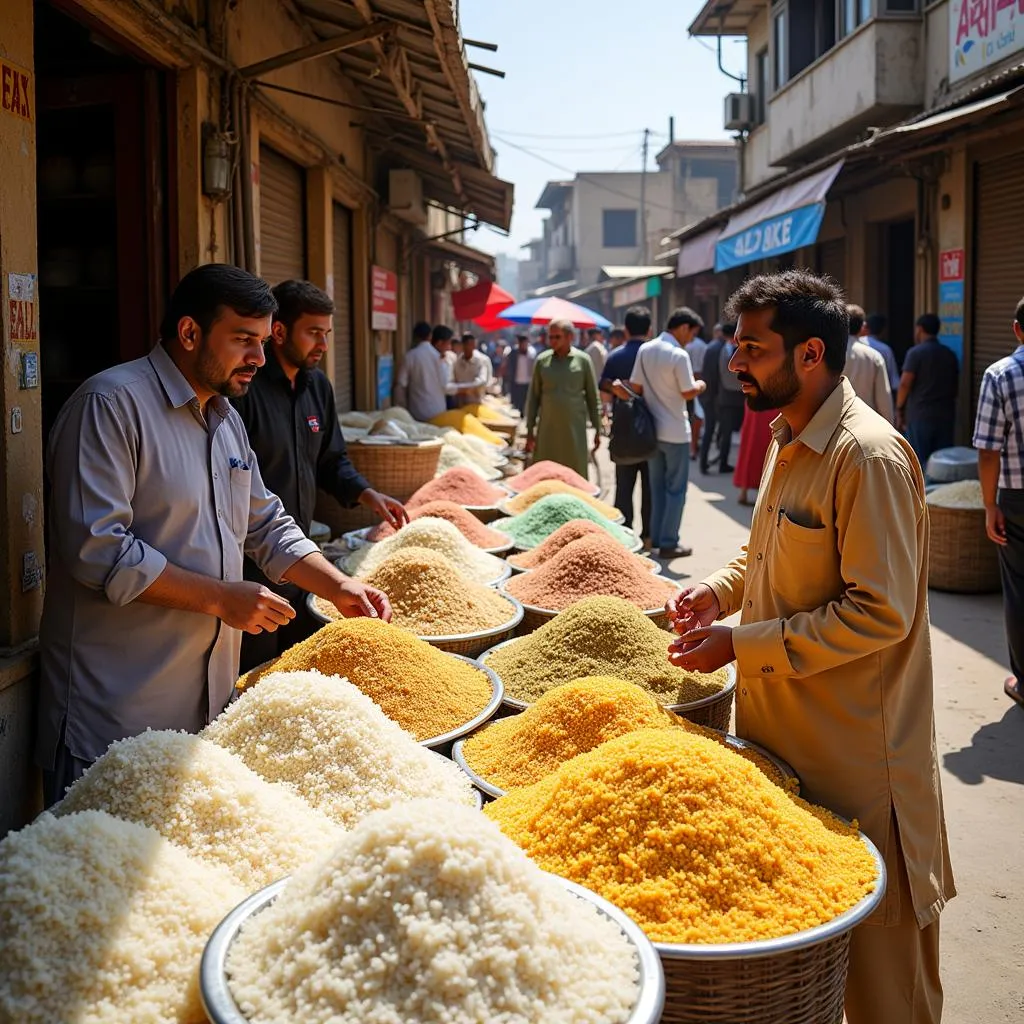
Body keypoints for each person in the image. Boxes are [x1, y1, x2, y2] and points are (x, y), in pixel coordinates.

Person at [667, 269, 954, 1024]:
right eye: (735, 344)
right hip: (787, 749)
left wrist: (741, 644)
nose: (734, 363)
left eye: (752, 348)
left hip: (862, 762)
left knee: (886, 990)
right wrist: (719, 593)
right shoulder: (788, 435)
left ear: (810, 353)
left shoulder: (868, 458)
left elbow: (878, 612)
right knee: (815, 974)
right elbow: (767, 550)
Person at [37, 264, 392, 808]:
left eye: (261, 340)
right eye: (243, 340)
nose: (259, 356)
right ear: (189, 333)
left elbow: (265, 522)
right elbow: (99, 550)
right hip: (113, 713)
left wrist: (337, 586)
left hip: (202, 714)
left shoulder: (225, 418)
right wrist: (222, 599)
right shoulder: (110, 406)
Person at [231, 280, 408, 672]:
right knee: (252, 674)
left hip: (302, 558)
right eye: (313, 333)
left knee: (298, 666)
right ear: (278, 332)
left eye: (326, 334)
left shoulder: (318, 388)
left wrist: (367, 494)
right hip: (246, 569)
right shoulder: (244, 390)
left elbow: (331, 460)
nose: (324, 345)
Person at [611, 307, 706, 559]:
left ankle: (654, 537)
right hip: (676, 432)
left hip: (652, 431)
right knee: (675, 490)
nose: (691, 339)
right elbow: (687, 392)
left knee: (657, 488)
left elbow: (637, 387)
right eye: (692, 333)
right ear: (683, 327)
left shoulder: (646, 349)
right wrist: (700, 385)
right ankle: (669, 541)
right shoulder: (678, 354)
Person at [973, 296, 1024, 710]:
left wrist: (989, 505)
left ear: (1017, 330)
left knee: (1019, 587)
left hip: (1018, 498)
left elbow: (989, 450)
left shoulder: (1002, 374)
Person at [601, 307, 654, 543]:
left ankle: (624, 537)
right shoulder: (655, 356)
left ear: (625, 330)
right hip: (653, 429)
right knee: (651, 487)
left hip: (623, 429)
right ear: (650, 329)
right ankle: (649, 535)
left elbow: (604, 387)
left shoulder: (615, 356)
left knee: (624, 485)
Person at [525, 318, 601, 478]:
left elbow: (593, 397)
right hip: (547, 430)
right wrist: (530, 429)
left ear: (569, 337)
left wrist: (597, 428)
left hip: (574, 430)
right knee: (546, 474)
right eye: (550, 337)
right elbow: (533, 398)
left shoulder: (583, 361)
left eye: (556, 337)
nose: (551, 341)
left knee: (575, 476)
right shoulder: (542, 361)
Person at [897, 313, 960, 469]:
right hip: (945, 416)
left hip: (920, 416)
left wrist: (899, 408)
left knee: (918, 463)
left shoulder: (915, 353)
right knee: (942, 465)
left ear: (919, 329)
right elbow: (955, 387)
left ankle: (921, 494)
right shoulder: (949, 354)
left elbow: (905, 383)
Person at [844, 304, 893, 421]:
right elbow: (884, 398)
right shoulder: (873, 356)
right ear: (863, 327)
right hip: (866, 423)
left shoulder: (825, 353)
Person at [397, 324, 452, 422]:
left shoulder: (410, 356)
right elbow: (445, 383)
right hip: (438, 411)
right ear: (430, 336)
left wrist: (402, 408)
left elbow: (401, 384)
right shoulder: (438, 357)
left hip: (417, 412)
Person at [713, 328, 746, 473]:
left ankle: (727, 462)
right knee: (728, 434)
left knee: (730, 433)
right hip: (732, 398)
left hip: (728, 398)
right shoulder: (725, 350)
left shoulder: (721, 349)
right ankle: (723, 462)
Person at [698, 323, 729, 474]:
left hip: (708, 396)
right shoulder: (722, 348)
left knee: (709, 430)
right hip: (718, 396)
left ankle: (703, 462)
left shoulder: (710, 347)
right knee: (722, 431)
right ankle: (721, 461)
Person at [451, 331, 493, 406]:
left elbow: (483, 381)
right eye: (466, 345)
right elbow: (454, 381)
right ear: (462, 346)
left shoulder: (482, 361)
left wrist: (464, 389)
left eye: (471, 345)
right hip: (460, 405)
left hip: (476, 403)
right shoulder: (457, 362)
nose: (469, 347)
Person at [685, 328, 709, 460]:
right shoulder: (703, 346)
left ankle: (692, 448)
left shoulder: (687, 346)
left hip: (691, 383)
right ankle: (693, 447)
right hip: (697, 383)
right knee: (696, 418)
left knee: (694, 418)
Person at [865, 312, 901, 393]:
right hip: (878, 396)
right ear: (883, 330)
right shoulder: (885, 350)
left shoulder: (854, 347)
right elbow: (894, 381)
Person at [505, 333, 537, 416]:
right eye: (522, 344)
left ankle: (525, 414)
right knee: (518, 401)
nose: (524, 345)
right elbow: (509, 366)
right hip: (517, 381)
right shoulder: (514, 352)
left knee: (526, 400)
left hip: (528, 381)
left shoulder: (531, 353)